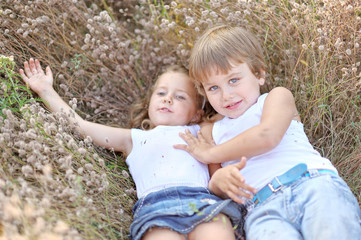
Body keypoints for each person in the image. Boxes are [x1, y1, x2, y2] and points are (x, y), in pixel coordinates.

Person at [19, 59, 246, 240]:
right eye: (161, 93)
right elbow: (81, 126)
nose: (168, 99)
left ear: (196, 113)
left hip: (203, 203)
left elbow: (235, 118)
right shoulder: (134, 139)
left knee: (217, 234)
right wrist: (45, 91)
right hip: (157, 209)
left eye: (180, 97)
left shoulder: (201, 131)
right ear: (149, 103)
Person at [175, 25, 361, 239]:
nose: (226, 95)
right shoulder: (212, 133)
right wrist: (218, 181)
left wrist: (210, 154)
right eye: (213, 88)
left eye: (233, 80)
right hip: (262, 210)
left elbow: (267, 136)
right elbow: (216, 182)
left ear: (259, 73)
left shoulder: (276, 98)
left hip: (312, 185)